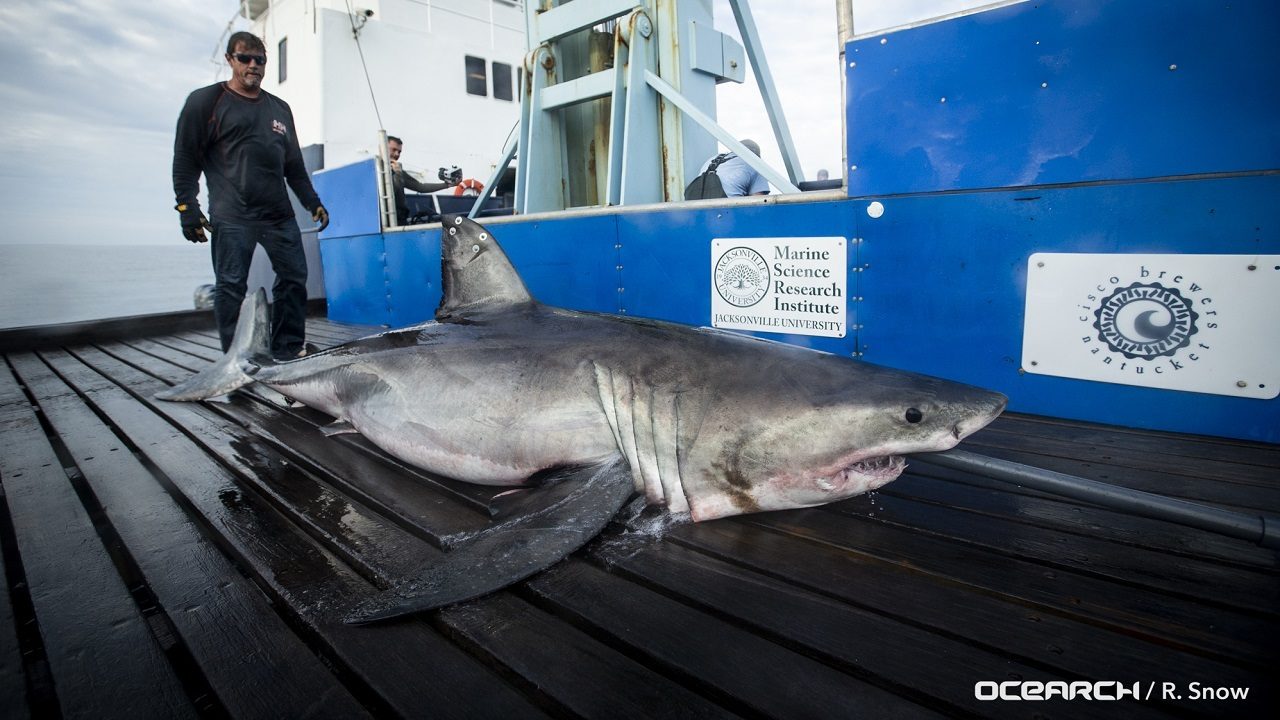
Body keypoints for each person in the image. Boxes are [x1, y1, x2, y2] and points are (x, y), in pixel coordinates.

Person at [172, 31, 328, 360]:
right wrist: (188, 207)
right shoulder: (205, 102)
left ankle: (286, 350)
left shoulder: (280, 109)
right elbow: (186, 160)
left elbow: (295, 167)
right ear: (230, 60)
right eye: (245, 58)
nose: (253, 65)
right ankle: (236, 360)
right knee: (230, 288)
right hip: (232, 216)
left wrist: (313, 203)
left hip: (278, 216)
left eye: (260, 60)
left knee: (294, 278)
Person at [387, 136, 457, 225]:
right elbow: (392, 192)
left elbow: (420, 186)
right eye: (393, 150)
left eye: (399, 152)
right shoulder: (376, 171)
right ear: (383, 148)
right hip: (386, 222)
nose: (397, 154)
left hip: (400, 220)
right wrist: (398, 174)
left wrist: (448, 185)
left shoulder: (398, 171)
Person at [698, 139, 770, 197]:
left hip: (695, 207)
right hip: (728, 211)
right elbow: (759, 201)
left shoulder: (713, 159)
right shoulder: (755, 163)